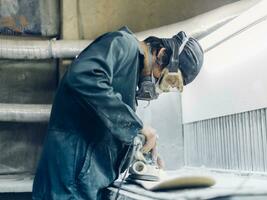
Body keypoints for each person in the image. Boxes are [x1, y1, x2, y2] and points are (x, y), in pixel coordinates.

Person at [32, 26, 203, 200]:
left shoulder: (129, 77)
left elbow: (105, 128)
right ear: (160, 55)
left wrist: (142, 154)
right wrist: (137, 127)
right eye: (168, 80)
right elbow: (83, 76)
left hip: (82, 187)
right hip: (67, 186)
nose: (160, 89)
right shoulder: (123, 44)